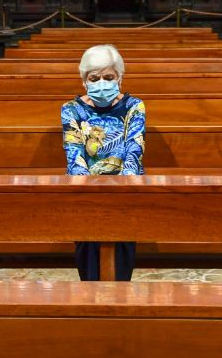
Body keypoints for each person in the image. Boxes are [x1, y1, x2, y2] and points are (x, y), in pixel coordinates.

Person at [60, 44, 146, 281]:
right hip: (84, 189)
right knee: (88, 251)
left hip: (125, 190)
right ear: (84, 81)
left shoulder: (134, 106)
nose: (102, 83)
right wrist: (92, 189)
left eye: (109, 77)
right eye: (94, 78)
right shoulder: (71, 109)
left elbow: (134, 148)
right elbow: (74, 151)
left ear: (120, 78)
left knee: (122, 251)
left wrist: (117, 188)